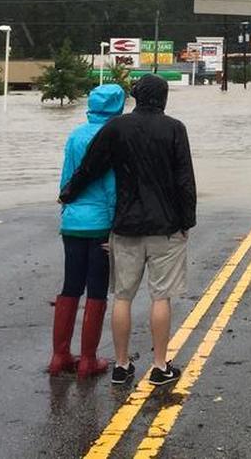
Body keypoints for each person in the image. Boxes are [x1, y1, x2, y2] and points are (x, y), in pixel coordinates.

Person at [59, 74, 196, 387]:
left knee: (122, 297)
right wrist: (187, 221)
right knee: (161, 297)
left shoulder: (116, 127)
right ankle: (160, 366)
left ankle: (121, 366)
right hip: (165, 226)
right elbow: (185, 181)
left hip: (125, 225)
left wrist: (68, 192)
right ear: (163, 99)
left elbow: (90, 168)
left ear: (135, 97)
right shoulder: (175, 128)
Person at [50, 83, 126, 379]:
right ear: (118, 108)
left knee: (70, 285)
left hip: (73, 221)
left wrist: (66, 212)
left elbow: (67, 178)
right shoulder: (114, 137)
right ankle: (88, 360)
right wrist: (115, 225)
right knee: (96, 289)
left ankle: (59, 355)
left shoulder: (75, 135)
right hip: (100, 224)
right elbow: (112, 187)